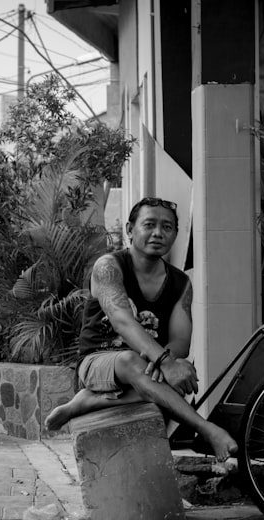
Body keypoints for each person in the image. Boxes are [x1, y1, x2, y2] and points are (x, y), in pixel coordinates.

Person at [43, 197, 238, 462]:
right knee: (131, 361)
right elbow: (122, 321)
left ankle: (89, 401)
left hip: (148, 366)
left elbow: (180, 341)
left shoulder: (181, 283)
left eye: (167, 227)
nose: (158, 233)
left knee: (180, 373)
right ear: (130, 229)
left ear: (175, 235)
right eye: (149, 224)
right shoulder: (109, 267)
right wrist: (164, 362)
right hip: (99, 361)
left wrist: (167, 362)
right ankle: (207, 429)